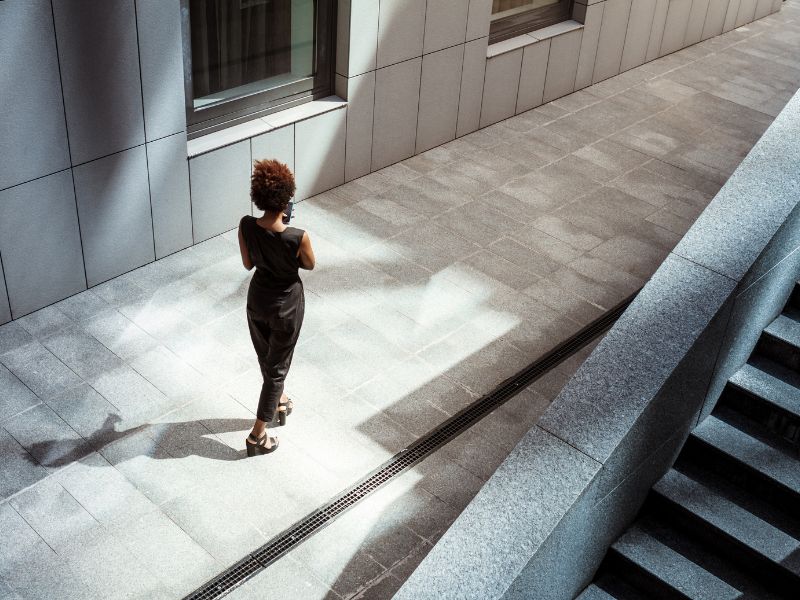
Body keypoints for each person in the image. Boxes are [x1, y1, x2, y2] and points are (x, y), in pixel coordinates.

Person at [238, 159, 315, 457]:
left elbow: (248, 264)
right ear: (286, 198)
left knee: (266, 358)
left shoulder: (246, 225)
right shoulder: (298, 237)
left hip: (257, 301)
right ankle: (258, 434)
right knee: (277, 368)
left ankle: (279, 399)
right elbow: (309, 264)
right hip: (286, 307)